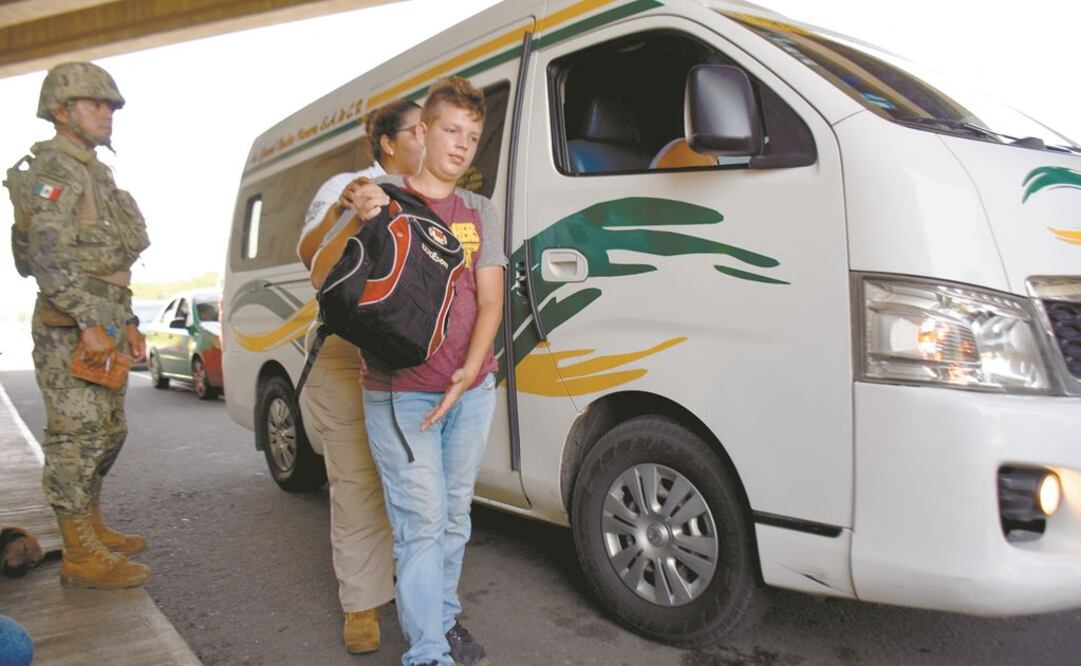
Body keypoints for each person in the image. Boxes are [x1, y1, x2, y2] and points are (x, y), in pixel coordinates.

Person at [347, 76, 505, 666]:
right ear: (424, 131)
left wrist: (468, 373)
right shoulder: (384, 196)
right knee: (421, 523)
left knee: (456, 517)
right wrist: (358, 212)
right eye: (450, 131)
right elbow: (332, 276)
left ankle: (441, 621)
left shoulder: (479, 210)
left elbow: (490, 301)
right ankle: (428, 653)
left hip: (472, 388)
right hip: (402, 393)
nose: (462, 146)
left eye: (473, 136)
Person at [6, 62, 151, 589]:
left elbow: (110, 259)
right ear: (62, 112)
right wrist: (89, 321)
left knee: (107, 432)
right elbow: (48, 256)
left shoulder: (94, 170)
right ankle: (79, 552)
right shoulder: (57, 168)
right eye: (95, 104)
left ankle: (89, 527)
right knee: (76, 439)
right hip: (71, 328)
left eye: (110, 106)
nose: (107, 115)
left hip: (104, 319)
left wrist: (127, 318)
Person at [295, 100, 424, 654]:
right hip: (347, 354)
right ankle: (362, 603)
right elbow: (312, 257)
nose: (428, 138)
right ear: (388, 143)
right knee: (355, 483)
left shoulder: (436, 194)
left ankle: (417, 589)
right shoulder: (352, 186)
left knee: (416, 483)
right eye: (416, 130)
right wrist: (351, 212)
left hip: (412, 359)